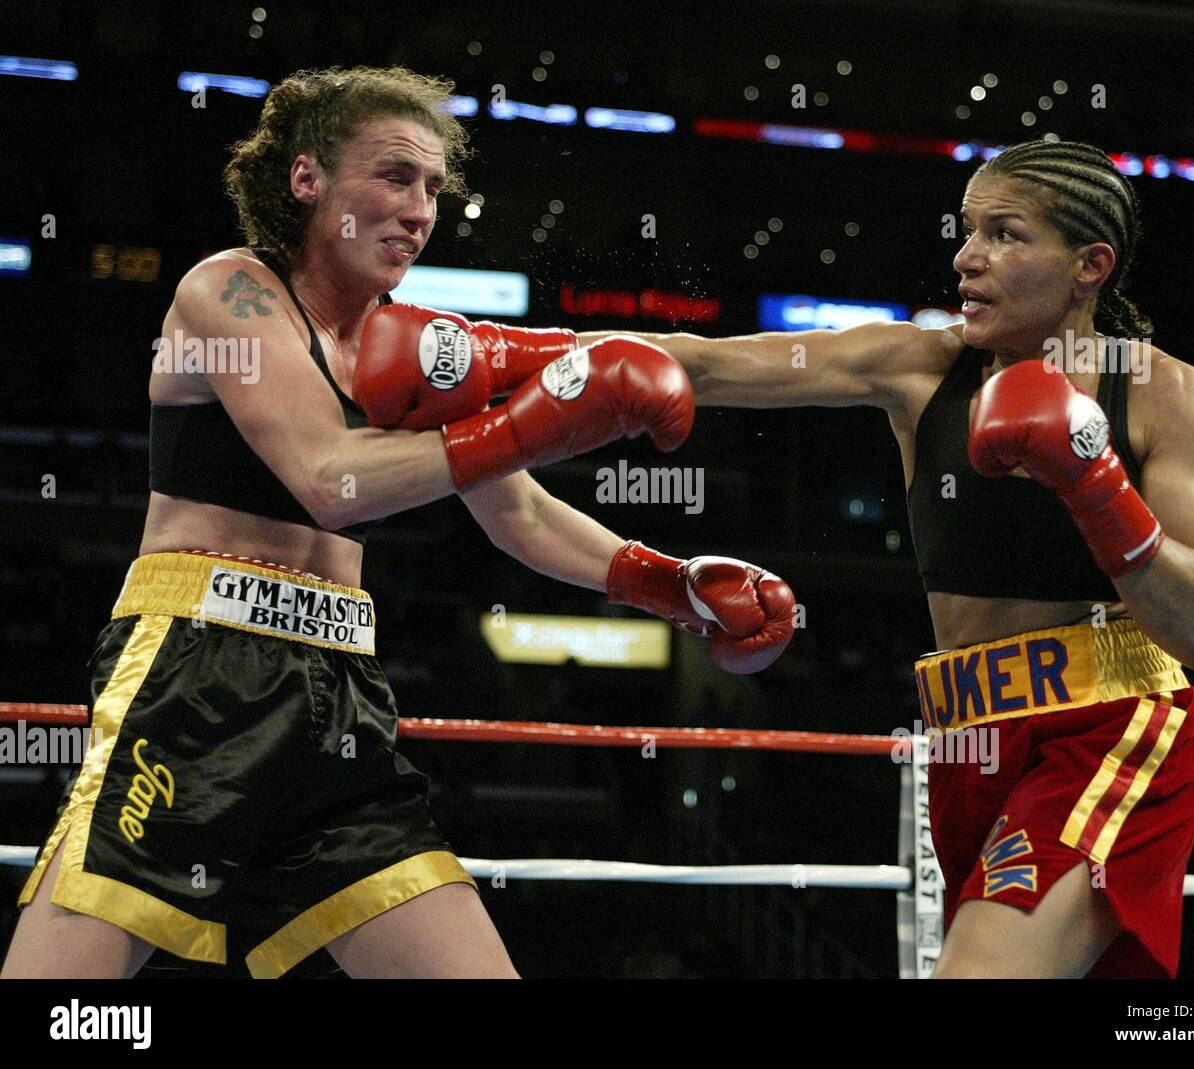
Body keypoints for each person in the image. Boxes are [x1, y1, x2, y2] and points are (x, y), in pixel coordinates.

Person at [1, 66, 796, 980]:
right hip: (194, 670)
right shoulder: (230, 291)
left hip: (338, 699)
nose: (419, 208)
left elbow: (518, 514)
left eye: (431, 187)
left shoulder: (416, 343)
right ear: (307, 180)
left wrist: (665, 578)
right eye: (393, 175)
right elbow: (329, 477)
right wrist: (530, 420)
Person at [592, 140, 1194, 978]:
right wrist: (500, 357)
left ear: (1090, 266)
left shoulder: (1156, 390)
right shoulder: (921, 364)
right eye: (969, 232)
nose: (967, 258)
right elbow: (701, 365)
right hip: (965, 744)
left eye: (1005, 234)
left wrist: (1095, 486)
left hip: (1108, 734)